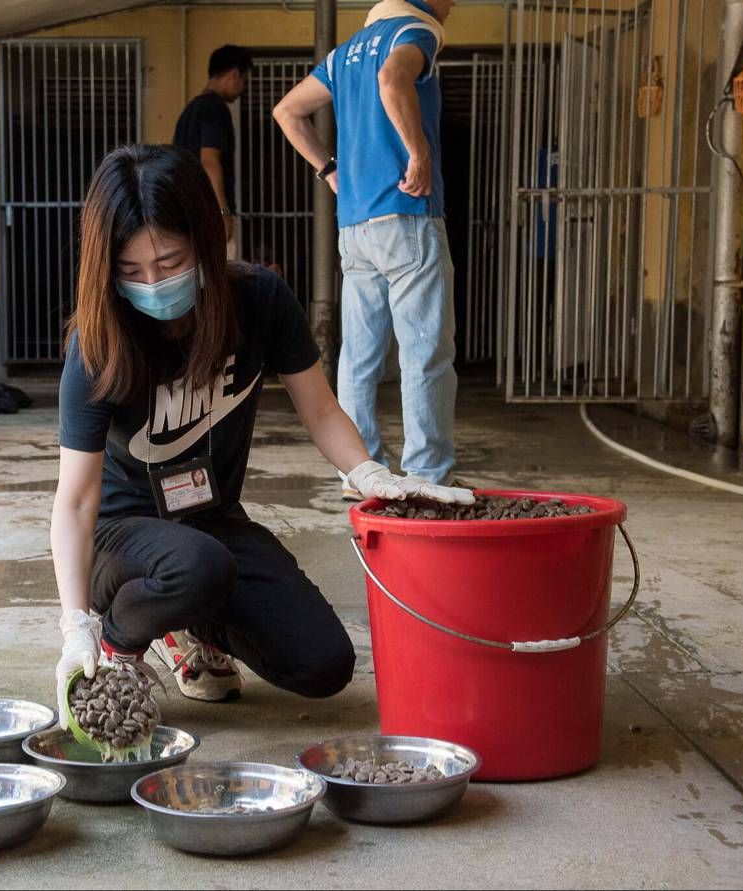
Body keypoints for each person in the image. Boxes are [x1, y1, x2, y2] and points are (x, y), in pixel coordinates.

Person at [51, 145, 471, 708]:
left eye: (171, 262)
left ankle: (191, 623)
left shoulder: (258, 299)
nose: (153, 283)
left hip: (212, 522)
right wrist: (74, 623)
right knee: (196, 564)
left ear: (207, 238)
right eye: (131, 271)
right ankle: (123, 641)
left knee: (322, 664)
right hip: (122, 539)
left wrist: (370, 473)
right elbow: (76, 501)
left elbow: (321, 411)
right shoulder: (98, 339)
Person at [274, 0, 459, 496]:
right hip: (407, 217)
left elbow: (287, 111)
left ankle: (359, 471)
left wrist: (329, 170)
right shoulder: (418, 31)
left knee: (358, 358)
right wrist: (418, 152)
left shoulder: (343, 53)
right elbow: (393, 80)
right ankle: (427, 473)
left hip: (355, 227)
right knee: (425, 354)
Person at [173, 45, 253, 258]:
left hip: (185, 212)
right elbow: (209, 160)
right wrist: (222, 212)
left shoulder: (190, 110)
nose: (242, 87)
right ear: (235, 74)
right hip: (208, 214)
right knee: (221, 281)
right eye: (244, 80)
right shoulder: (215, 109)